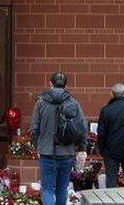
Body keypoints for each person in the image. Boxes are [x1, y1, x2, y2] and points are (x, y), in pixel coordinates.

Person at [30, 71, 88, 205]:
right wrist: (82, 148)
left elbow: (34, 128)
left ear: (51, 84)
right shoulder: (73, 102)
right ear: (66, 85)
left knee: (48, 189)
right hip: (66, 152)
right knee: (62, 189)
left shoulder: (40, 103)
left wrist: (37, 146)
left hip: (46, 152)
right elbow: (83, 127)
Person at [97, 83, 124, 188]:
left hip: (111, 151)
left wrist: (102, 149)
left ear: (111, 94)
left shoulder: (106, 110)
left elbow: (101, 132)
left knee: (111, 180)